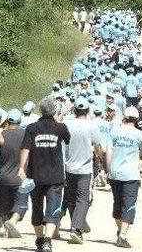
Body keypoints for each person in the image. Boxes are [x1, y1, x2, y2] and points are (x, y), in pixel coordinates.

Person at [18, 97, 71, 252]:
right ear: (55, 111)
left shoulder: (32, 128)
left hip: (35, 174)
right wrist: (59, 121)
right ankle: (47, 240)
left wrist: (21, 167)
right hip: (55, 176)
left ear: (40, 110)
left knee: (37, 208)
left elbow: (25, 148)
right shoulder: (60, 128)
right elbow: (67, 140)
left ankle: (40, 240)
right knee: (53, 208)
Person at [62, 98, 102, 244]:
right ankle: (76, 228)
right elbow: (98, 146)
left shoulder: (67, 124)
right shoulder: (91, 126)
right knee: (83, 198)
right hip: (85, 168)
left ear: (74, 110)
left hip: (68, 167)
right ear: (87, 111)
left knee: (71, 198)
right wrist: (100, 156)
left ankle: (76, 225)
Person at [106, 106, 142, 249]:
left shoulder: (114, 131)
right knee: (129, 204)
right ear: (136, 119)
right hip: (131, 175)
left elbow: (108, 152)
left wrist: (108, 170)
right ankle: (122, 236)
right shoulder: (139, 134)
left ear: (124, 117)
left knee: (117, 203)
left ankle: (120, 231)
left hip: (115, 173)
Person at [0, 109, 29, 238]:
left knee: (5, 205)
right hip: (19, 177)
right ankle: (13, 220)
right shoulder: (25, 135)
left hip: (3, 177)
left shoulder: (2, 135)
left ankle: (6, 231)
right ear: (20, 121)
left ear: (7, 121)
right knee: (22, 203)